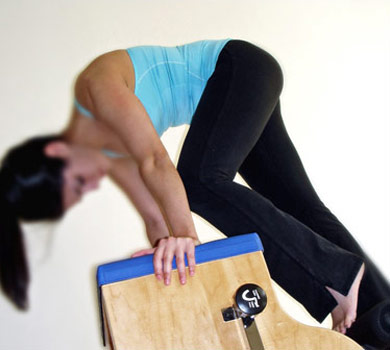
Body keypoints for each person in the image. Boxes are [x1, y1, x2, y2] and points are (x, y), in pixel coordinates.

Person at [0, 39, 388, 347]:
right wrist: (169, 253)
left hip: (238, 67)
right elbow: (157, 217)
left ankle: (337, 273)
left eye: (72, 183)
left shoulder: (94, 87)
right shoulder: (108, 153)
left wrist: (184, 234)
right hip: (237, 91)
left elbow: (157, 162)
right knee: (300, 206)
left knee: (201, 180)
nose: (86, 188)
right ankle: (377, 317)